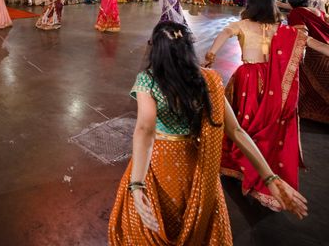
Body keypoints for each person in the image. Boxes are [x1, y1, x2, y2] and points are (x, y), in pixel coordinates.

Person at [108, 21, 307, 245]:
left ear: (156, 48)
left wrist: (136, 185)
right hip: (196, 164)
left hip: (157, 162)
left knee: (151, 222)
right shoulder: (208, 80)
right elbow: (236, 131)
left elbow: (145, 131)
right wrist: (270, 178)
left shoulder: (148, 80)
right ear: (188, 48)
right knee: (198, 215)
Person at [204, 0, 329, 210]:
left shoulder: (242, 25)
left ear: (251, 6)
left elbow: (223, 33)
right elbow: (312, 43)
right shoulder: (281, 29)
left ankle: (242, 163)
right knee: (264, 123)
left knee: (242, 121)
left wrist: (211, 55)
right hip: (272, 81)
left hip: (248, 79)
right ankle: (260, 164)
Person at [282, 0, 329, 123]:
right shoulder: (316, 11)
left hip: (315, 53)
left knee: (304, 80)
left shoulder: (296, 13)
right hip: (325, 47)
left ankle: (304, 111)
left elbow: (301, 34)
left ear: (291, 1)